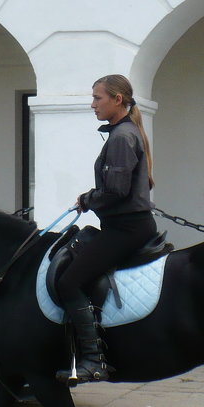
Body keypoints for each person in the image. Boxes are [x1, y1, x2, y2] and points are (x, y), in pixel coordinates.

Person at [54, 74, 157, 385]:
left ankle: (94, 361)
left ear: (117, 100)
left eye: (98, 98)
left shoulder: (122, 137)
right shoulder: (123, 133)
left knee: (70, 282)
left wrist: (87, 199)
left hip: (126, 229)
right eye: (93, 97)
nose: (93, 104)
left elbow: (116, 191)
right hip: (124, 225)